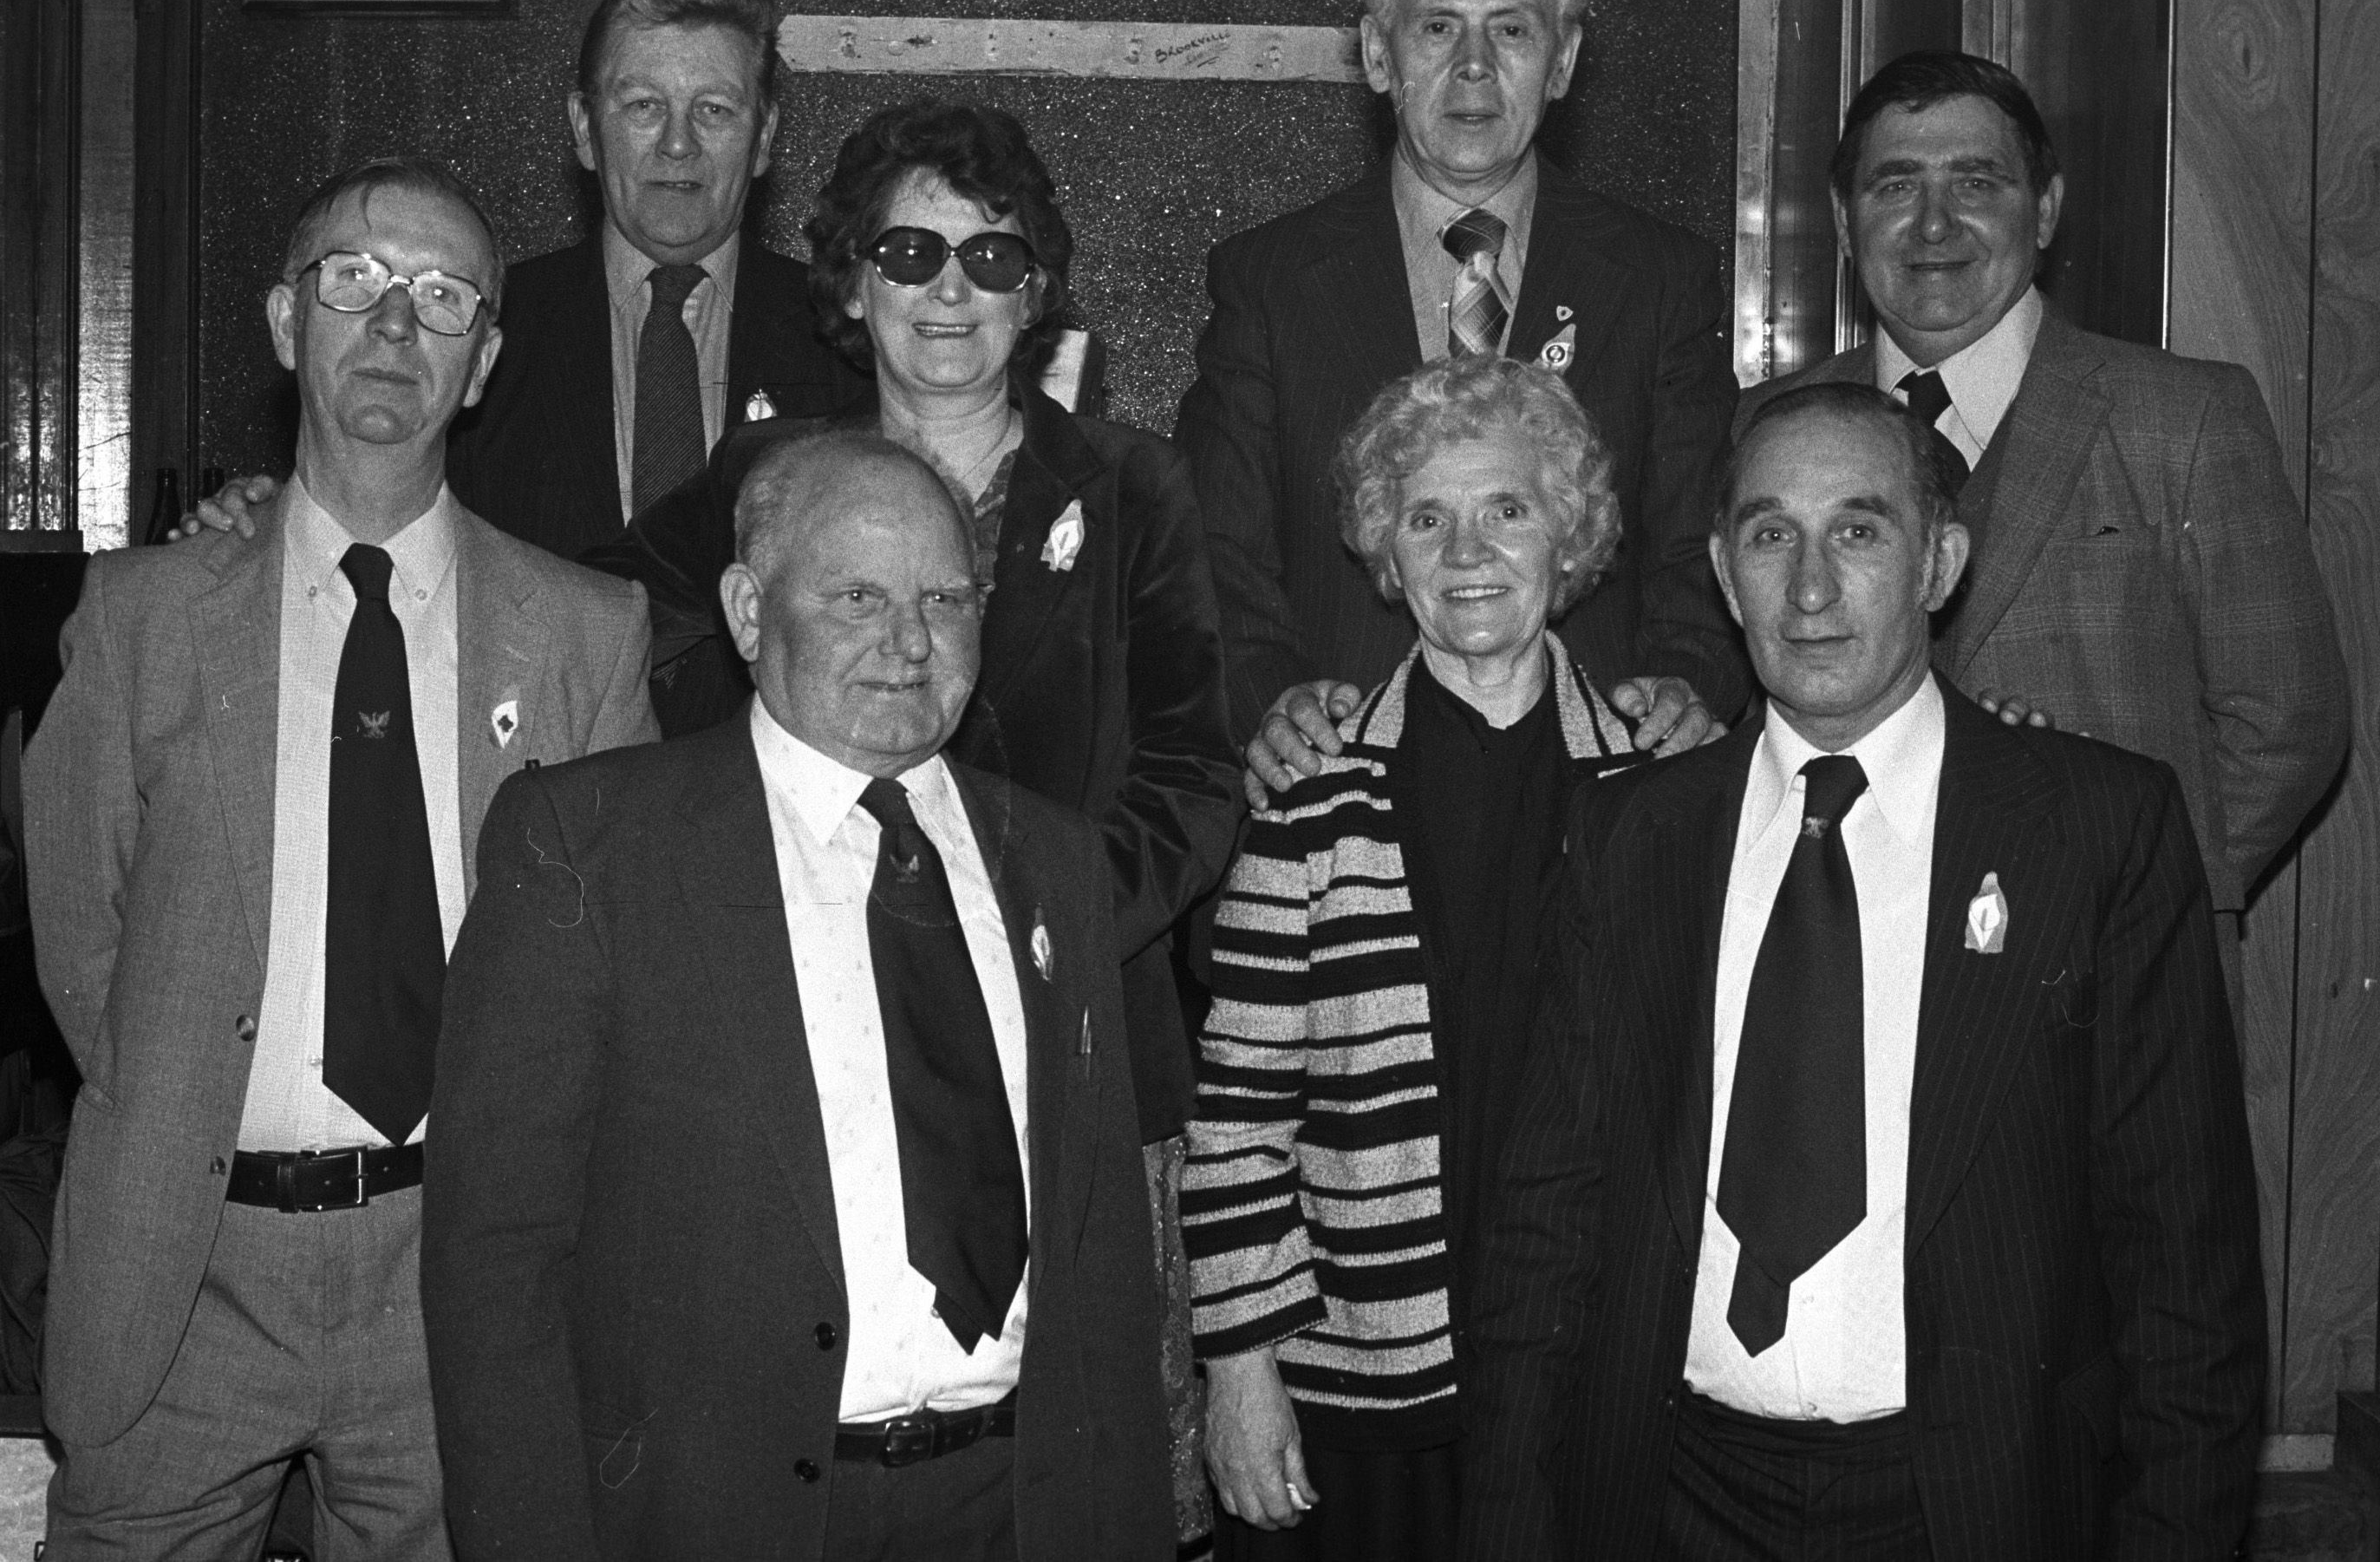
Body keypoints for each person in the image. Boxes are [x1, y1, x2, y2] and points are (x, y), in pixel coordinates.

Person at [587, 98, 1242, 1542]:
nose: (951, 289)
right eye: (910, 248)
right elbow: (575, 616)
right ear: (851, 280)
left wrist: (1034, 934)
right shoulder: (774, 482)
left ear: (1041, 286)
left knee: (1082, 1485)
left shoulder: (1131, 486)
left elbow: (1198, 777)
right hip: (814, 1048)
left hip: (1076, 1041)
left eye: (993, 256)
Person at [1463, 383, 2264, 1559]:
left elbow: (2183, 1269)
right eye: (1770, 533)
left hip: (1971, 1501)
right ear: (1724, 575)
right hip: (1668, 1492)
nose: (1811, 587)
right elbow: (1544, 1223)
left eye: (1859, 528)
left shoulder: (2096, 833)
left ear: (1940, 560)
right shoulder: (1631, 837)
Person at [21, 158, 657, 1555]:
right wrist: (188, 1092)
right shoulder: (140, 618)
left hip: (453, 1271)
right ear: (283, 320)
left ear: (483, 359)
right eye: (354, 281)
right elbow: (79, 940)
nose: (393, 325)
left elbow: (612, 977)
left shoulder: (585, 636)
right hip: (184, 1277)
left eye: (441, 297)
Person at [421, 431, 1173, 1556]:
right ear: (743, 608)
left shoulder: (1055, 860)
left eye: (945, 597)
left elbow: (1106, 1261)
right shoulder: (590, 848)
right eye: (858, 593)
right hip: (725, 1518)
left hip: (1021, 1506)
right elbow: (496, 1270)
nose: (909, 640)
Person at [1738, 50, 2347, 994]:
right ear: (1843, 222)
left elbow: (2288, 721)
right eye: (1895, 185)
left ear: (2047, 209)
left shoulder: (2183, 420)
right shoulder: (1766, 431)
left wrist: (2127, 879)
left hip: (2115, 983)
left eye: (1976, 182)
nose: (1934, 223)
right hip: (1837, 972)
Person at [1186, 354, 1646, 1562]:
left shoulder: (1662, 788)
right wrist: (1238, 1369)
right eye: (1426, 518)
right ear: (1386, 557)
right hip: (1363, 1388)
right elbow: (1236, 1111)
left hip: (1593, 1374)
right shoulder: (1306, 794)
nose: (1467, 549)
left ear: (1569, 533)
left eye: (1507, 508)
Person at [1178, 0, 1747, 806]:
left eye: (1512, 30)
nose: (1474, 66)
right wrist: (1269, 700)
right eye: (1438, 27)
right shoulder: (1270, 281)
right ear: (1376, 53)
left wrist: (1690, 684)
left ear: (1562, 61)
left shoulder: (1659, 278)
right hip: (1338, 791)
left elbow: (1703, 541)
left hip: (1601, 799)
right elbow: (1216, 552)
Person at [442, 0, 865, 559]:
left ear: (764, 136)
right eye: (643, 105)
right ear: (586, 129)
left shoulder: (844, 340)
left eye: (714, 109)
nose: (677, 143)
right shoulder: (484, 331)